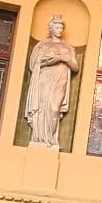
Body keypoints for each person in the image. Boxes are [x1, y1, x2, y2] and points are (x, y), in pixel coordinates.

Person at [24, 14, 79, 148]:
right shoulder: (42, 45)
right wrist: (49, 61)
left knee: (54, 108)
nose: (60, 30)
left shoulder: (68, 47)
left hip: (60, 79)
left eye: (62, 27)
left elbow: (75, 67)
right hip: (44, 78)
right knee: (42, 108)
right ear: (51, 28)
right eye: (57, 27)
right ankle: (39, 137)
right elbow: (34, 64)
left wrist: (64, 59)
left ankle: (51, 139)